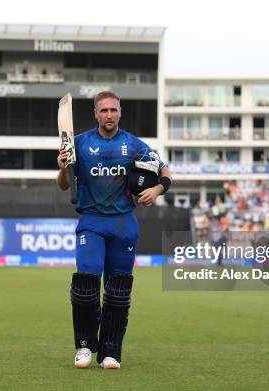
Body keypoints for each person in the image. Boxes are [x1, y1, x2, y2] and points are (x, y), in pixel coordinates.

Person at [56, 90, 171, 369]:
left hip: (123, 225)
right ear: (95, 113)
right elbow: (63, 185)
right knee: (85, 285)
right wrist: (62, 168)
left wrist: (156, 189)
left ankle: (111, 351)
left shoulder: (133, 145)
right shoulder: (79, 143)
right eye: (104, 110)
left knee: (118, 292)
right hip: (92, 222)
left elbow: (165, 171)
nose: (109, 115)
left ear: (120, 112)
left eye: (114, 110)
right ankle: (84, 346)